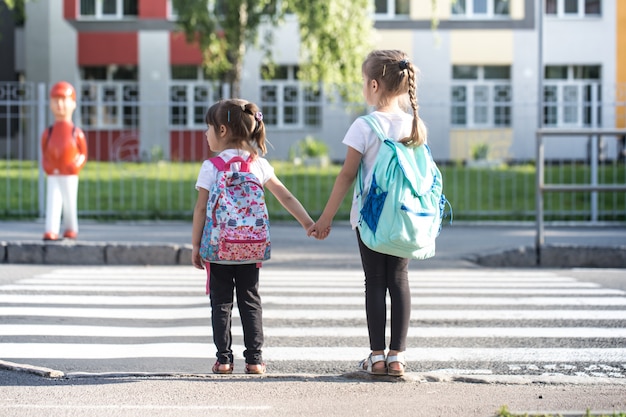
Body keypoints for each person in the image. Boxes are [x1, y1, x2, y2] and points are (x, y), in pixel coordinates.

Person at [308, 50, 427, 377]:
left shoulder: (365, 125)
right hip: (404, 217)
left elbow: (347, 175)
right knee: (399, 280)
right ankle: (397, 357)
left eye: (364, 81)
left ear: (374, 85)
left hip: (370, 219)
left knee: (375, 281)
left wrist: (326, 218)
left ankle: (376, 357)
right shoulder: (414, 124)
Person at [191, 98, 315, 375]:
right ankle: (255, 360)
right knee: (250, 300)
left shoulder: (211, 166)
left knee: (221, 303)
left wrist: (196, 245)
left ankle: (224, 360)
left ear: (222, 130)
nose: (205, 133)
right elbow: (286, 195)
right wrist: (308, 223)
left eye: (208, 128)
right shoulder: (258, 164)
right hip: (250, 247)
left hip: (219, 247)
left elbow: (201, 208)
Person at [41, 81, 88, 241]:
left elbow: (83, 153)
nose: (60, 105)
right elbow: (44, 152)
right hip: (54, 173)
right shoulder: (49, 132)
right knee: (53, 201)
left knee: (69, 202)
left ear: (73, 104)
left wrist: (75, 165)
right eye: (56, 100)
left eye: (64, 100)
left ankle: (71, 228)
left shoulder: (76, 132)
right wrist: (48, 166)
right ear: (50, 104)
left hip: (69, 173)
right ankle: (51, 229)